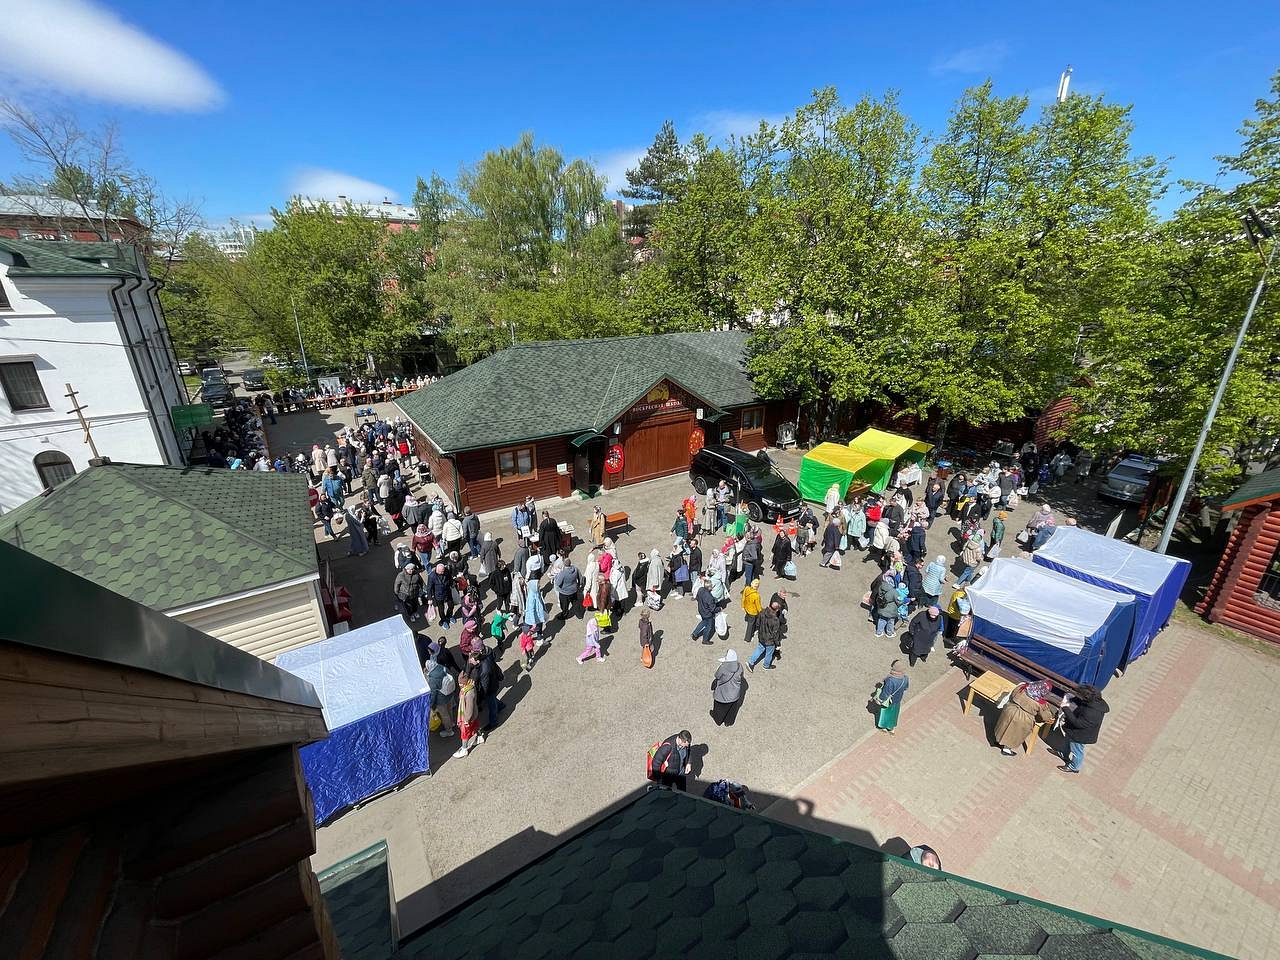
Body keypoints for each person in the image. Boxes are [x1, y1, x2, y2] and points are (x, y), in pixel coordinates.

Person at [995, 681, 1056, 757]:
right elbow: (1045, 716)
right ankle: (1006, 749)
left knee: (1003, 726)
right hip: (1024, 718)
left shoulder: (1022, 688)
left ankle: (998, 740)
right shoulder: (1040, 703)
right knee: (1014, 734)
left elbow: (1013, 694)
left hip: (1010, 710)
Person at [1058, 684, 1108, 774]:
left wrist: (1065, 708)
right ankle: (1063, 753)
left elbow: (1077, 723)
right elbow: (1083, 703)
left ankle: (1074, 767)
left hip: (1081, 736)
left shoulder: (1091, 713)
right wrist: (1074, 699)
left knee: (1077, 751)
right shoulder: (1095, 701)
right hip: (1077, 732)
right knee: (1068, 742)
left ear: (1086, 697)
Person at [423, 642, 457, 738]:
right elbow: (450, 674)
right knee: (449, 710)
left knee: (444, 715)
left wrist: (431, 705)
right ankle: (452, 723)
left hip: (441, 699)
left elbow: (433, 693)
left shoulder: (433, 679)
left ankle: (449, 731)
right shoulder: (442, 667)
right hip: (449, 693)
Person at [711, 649, 744, 726]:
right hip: (735, 694)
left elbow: (717, 676)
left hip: (723, 695)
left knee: (719, 708)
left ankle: (718, 720)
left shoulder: (723, 667)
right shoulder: (740, 667)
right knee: (732, 709)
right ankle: (728, 722)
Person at [453, 672, 482, 759]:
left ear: (465, 682)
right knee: (475, 725)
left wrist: (466, 720)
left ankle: (464, 749)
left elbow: (469, 708)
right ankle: (479, 737)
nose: (459, 685)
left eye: (461, 683)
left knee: (464, 733)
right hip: (474, 715)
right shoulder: (468, 687)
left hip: (468, 717)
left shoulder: (469, 693)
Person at [875, 661, 909, 734]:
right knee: (894, 714)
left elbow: (886, 693)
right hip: (898, 700)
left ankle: (883, 727)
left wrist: (880, 699)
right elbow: (906, 688)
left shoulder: (890, 680)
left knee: (885, 713)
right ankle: (891, 728)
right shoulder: (905, 678)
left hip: (889, 701)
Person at [747, 599, 781, 670]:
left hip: (761, 636)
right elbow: (775, 634)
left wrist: (757, 631)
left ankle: (750, 662)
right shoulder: (775, 620)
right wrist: (777, 644)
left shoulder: (762, 612)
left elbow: (758, 623)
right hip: (770, 641)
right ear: (777, 610)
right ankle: (766, 665)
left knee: (759, 648)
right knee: (769, 653)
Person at [553, 553, 581, 619]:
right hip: (573, 590)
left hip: (564, 593)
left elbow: (558, 583)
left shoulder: (563, 573)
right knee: (575, 603)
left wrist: (556, 576)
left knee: (564, 606)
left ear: (564, 564)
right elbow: (580, 577)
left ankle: (564, 615)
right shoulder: (575, 569)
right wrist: (578, 585)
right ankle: (579, 615)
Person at [691, 577, 718, 645]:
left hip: (701, 610)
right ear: (709, 587)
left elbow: (697, 598)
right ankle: (705, 640)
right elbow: (713, 609)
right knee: (708, 627)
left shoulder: (700, 589)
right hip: (708, 614)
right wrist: (719, 609)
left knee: (703, 622)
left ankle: (695, 633)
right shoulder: (709, 597)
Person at [426, 562, 453, 627]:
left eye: (443, 571)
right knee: (441, 609)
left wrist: (452, 584)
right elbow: (429, 588)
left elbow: (450, 578)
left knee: (451, 605)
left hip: (447, 592)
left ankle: (449, 616)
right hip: (438, 595)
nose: (443, 572)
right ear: (437, 570)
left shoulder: (446, 571)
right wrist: (429, 598)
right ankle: (443, 620)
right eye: (441, 571)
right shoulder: (432, 576)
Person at [741, 577, 763, 647]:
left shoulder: (746, 588)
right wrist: (762, 612)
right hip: (753, 612)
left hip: (747, 608)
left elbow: (743, 598)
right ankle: (747, 638)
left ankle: (752, 627)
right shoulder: (756, 596)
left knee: (749, 619)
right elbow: (758, 606)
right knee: (750, 625)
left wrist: (742, 606)